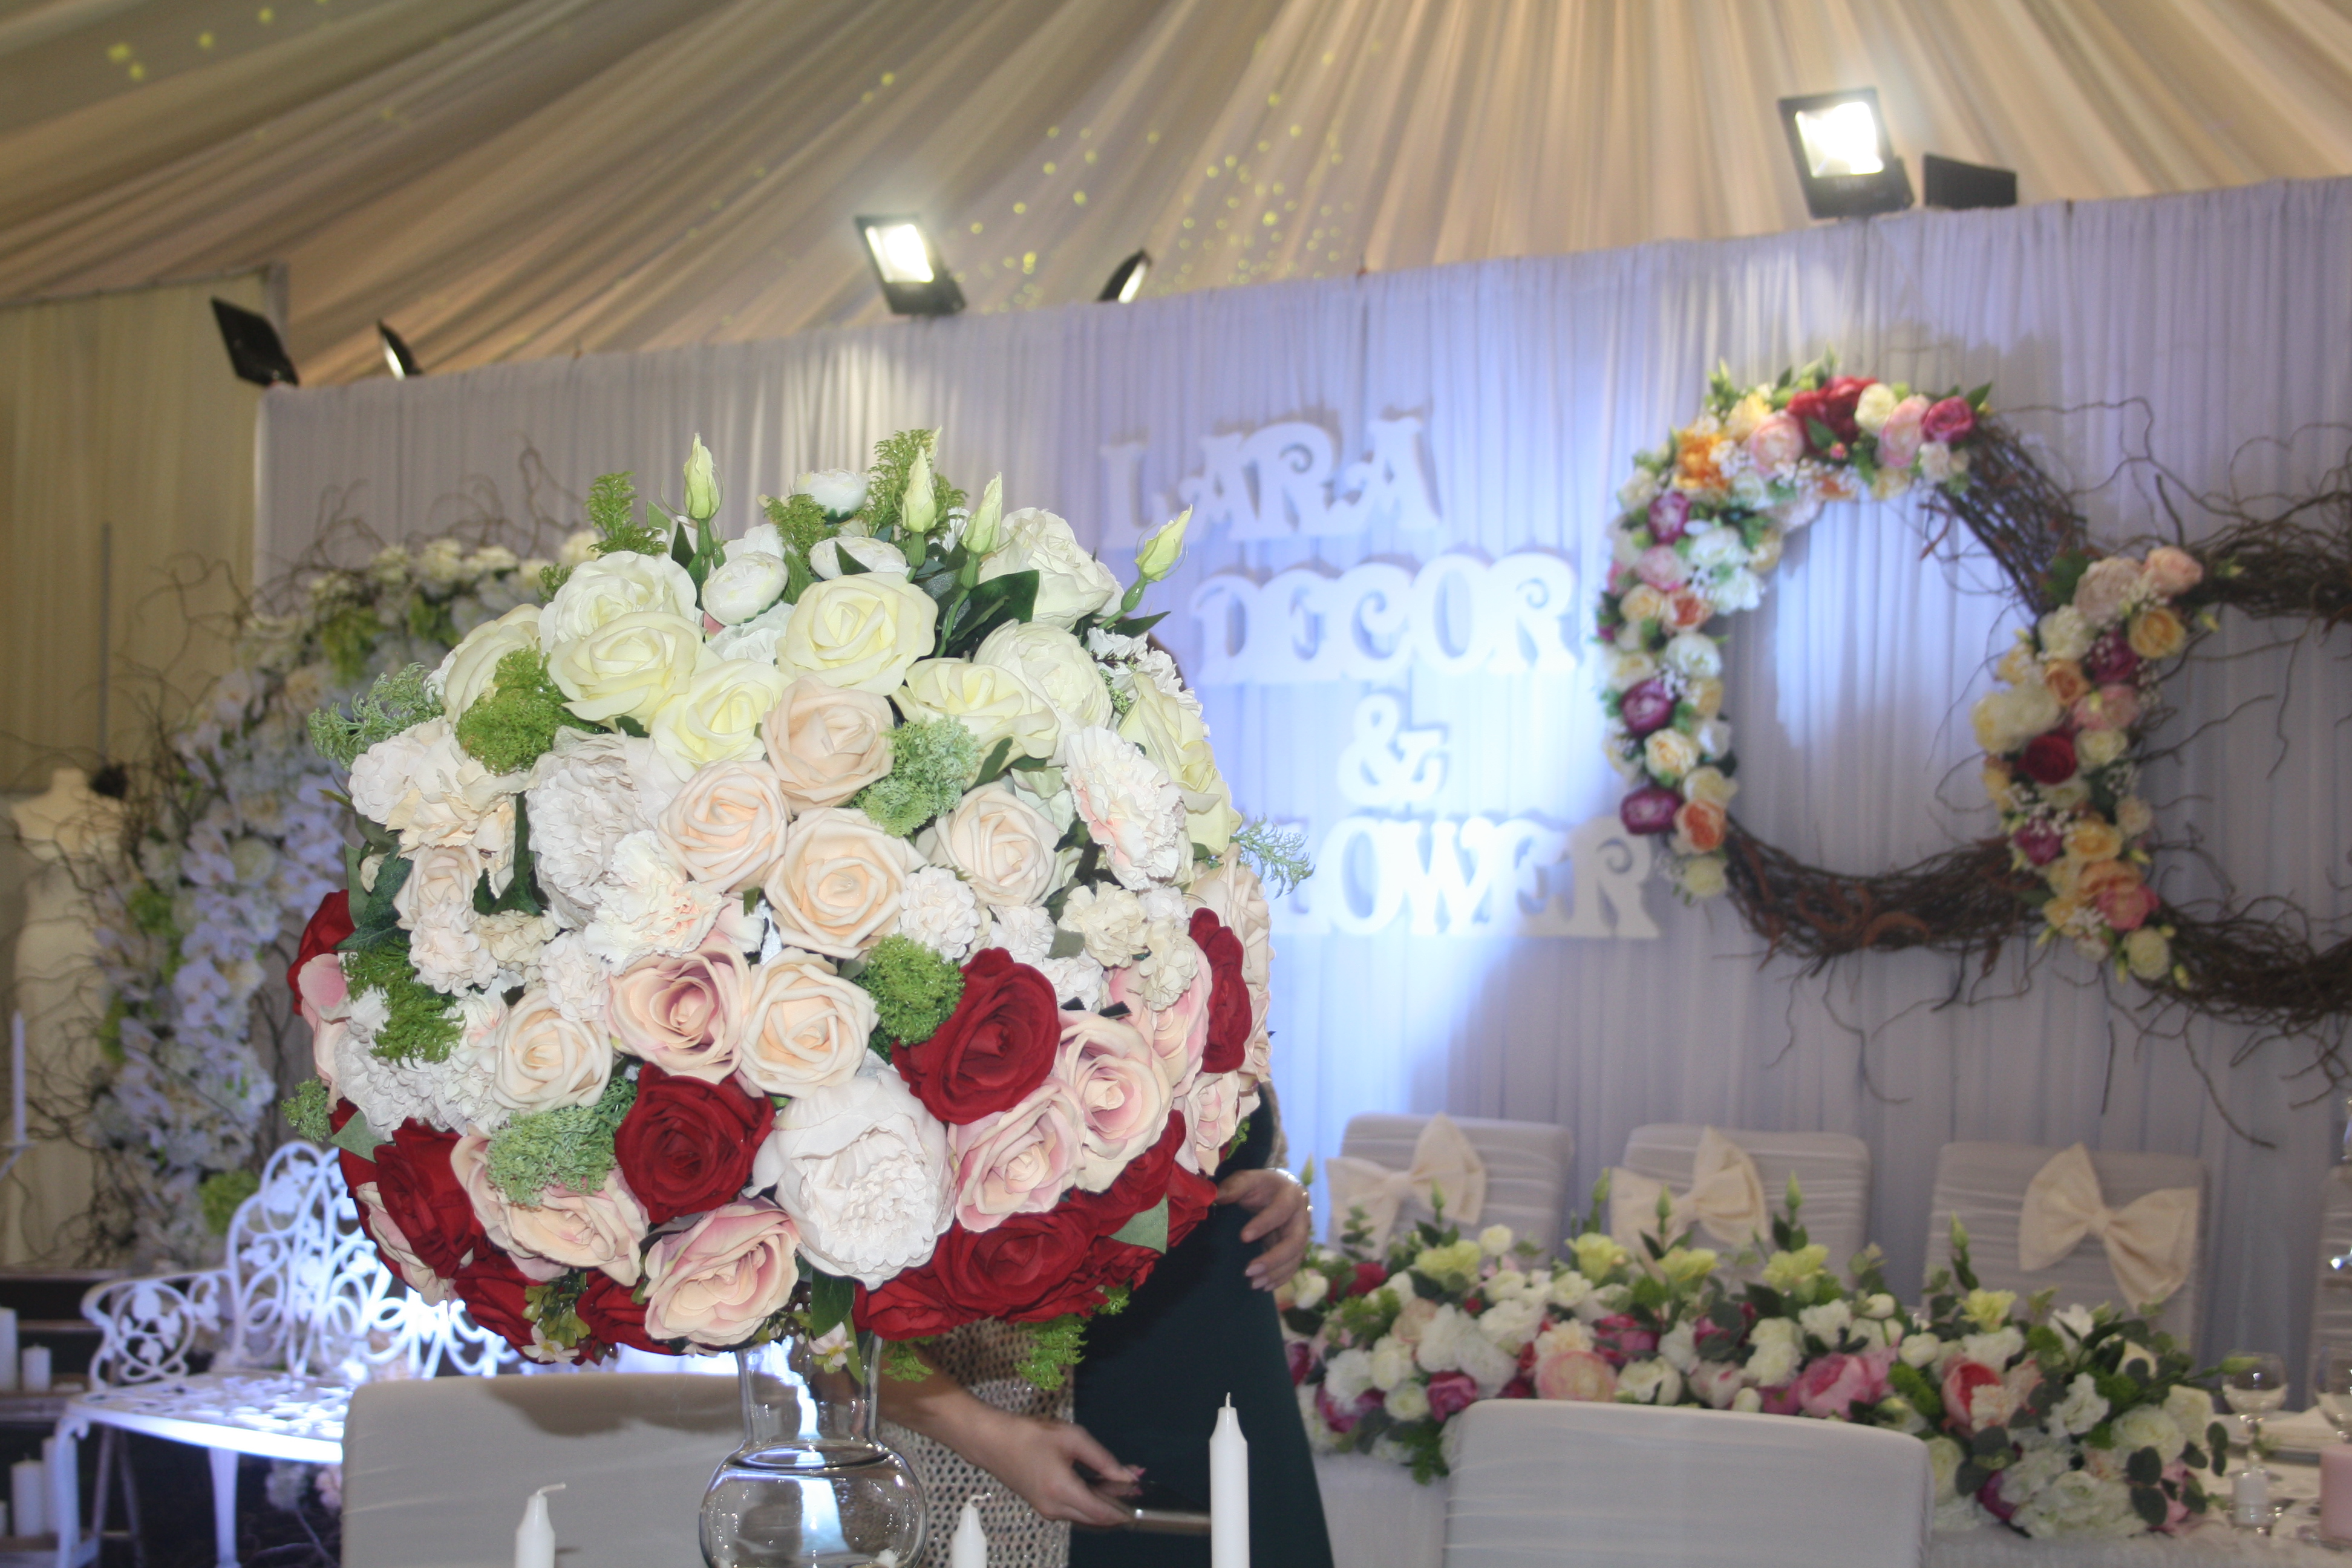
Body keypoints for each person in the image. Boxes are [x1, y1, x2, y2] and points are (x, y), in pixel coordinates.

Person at [877, 1089, 1327, 1568]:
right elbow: (832, 1330)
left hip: (1241, 1412)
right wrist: (989, 1437)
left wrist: (1284, 1190)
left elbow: (1245, 1153)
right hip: (1025, 1448)